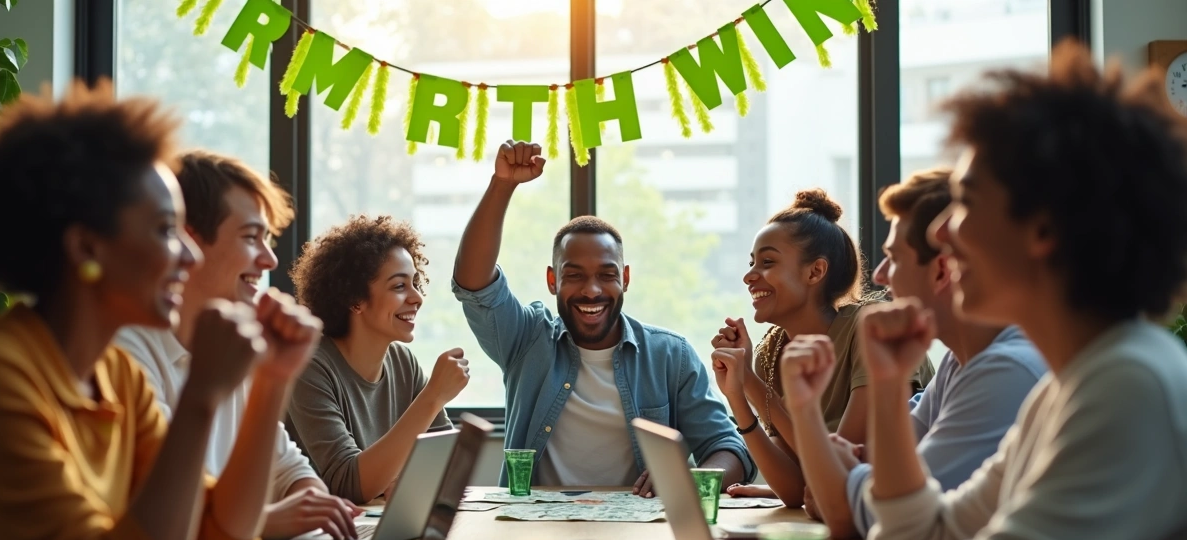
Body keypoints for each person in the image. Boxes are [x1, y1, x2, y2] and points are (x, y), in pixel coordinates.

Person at [837, 41, 1187, 540]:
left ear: (1043, 228)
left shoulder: (1131, 385)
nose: (943, 232)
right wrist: (889, 389)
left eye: (967, 202)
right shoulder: (1066, 387)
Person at [0, 82, 322, 540]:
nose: (189, 253)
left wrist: (273, 380)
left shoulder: (118, 379)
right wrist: (202, 394)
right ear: (87, 248)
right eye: (165, 230)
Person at [721, 169, 1044, 540]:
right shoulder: (956, 367)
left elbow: (862, 509)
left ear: (943, 270)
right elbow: (841, 488)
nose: (881, 277)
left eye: (894, 258)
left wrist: (840, 473)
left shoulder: (1004, 372)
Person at [452, 141, 755, 495]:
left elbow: (729, 449)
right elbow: (474, 285)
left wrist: (687, 481)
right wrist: (502, 185)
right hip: (534, 520)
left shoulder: (671, 356)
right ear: (552, 280)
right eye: (574, 275)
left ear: (625, 278)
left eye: (607, 275)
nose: (592, 290)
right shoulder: (526, 340)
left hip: (638, 523)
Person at [115, 150, 361, 540]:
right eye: (251, 237)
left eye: (268, 239)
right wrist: (268, 521)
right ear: (188, 241)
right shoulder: (125, 354)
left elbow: (289, 470)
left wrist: (313, 505)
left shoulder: (234, 349)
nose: (270, 260)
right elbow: (160, 506)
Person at [710, 190, 934, 505]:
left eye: (767, 262)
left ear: (815, 271)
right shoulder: (769, 354)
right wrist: (738, 392)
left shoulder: (870, 329)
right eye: (751, 263)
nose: (749, 276)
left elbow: (842, 472)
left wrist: (751, 382)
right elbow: (794, 491)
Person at [287, 215, 469, 505]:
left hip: (375, 522)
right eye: (399, 286)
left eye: (415, 283)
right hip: (322, 530)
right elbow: (348, 484)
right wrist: (433, 396)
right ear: (355, 300)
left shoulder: (403, 362)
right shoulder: (308, 367)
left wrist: (404, 479)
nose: (417, 298)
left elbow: (448, 465)